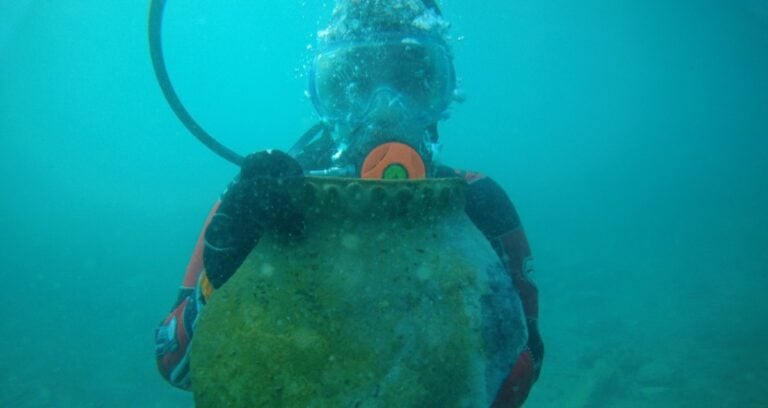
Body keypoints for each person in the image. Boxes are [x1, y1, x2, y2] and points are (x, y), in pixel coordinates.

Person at [154, 0, 543, 406]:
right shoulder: (262, 200)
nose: (385, 110)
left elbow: (526, 359)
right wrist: (216, 280)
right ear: (324, 98)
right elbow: (175, 363)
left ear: (441, 93)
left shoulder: (480, 204)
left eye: (411, 81)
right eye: (353, 87)